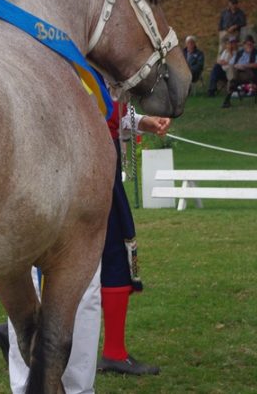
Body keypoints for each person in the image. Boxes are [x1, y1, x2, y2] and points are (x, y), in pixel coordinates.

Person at [98, 101, 167, 376]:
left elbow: (111, 105)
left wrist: (141, 121)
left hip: (97, 151)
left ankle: (23, 328)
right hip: (94, 153)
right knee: (114, 252)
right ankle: (114, 351)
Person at [221, 37, 257, 108]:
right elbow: (231, 63)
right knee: (231, 69)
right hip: (237, 72)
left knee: (232, 79)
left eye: (251, 44)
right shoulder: (239, 53)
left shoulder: (256, 53)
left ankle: (227, 99)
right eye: (247, 44)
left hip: (249, 72)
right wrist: (236, 66)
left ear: (253, 44)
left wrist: (245, 65)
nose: (249, 46)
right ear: (244, 45)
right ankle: (227, 99)